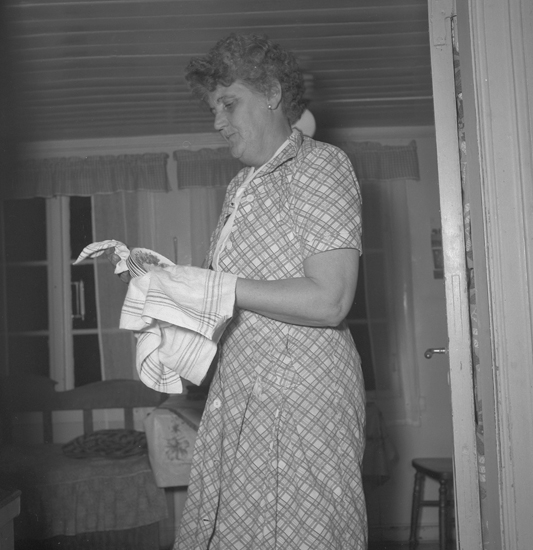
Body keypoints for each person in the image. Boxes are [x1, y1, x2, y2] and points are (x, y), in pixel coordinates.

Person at [111, 32, 367, 549]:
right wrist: (166, 287)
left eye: (228, 104)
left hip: (301, 393)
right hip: (240, 389)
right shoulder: (241, 187)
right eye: (213, 109)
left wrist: (209, 285)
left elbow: (330, 300)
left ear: (271, 93)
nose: (217, 122)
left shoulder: (319, 164)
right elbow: (233, 300)